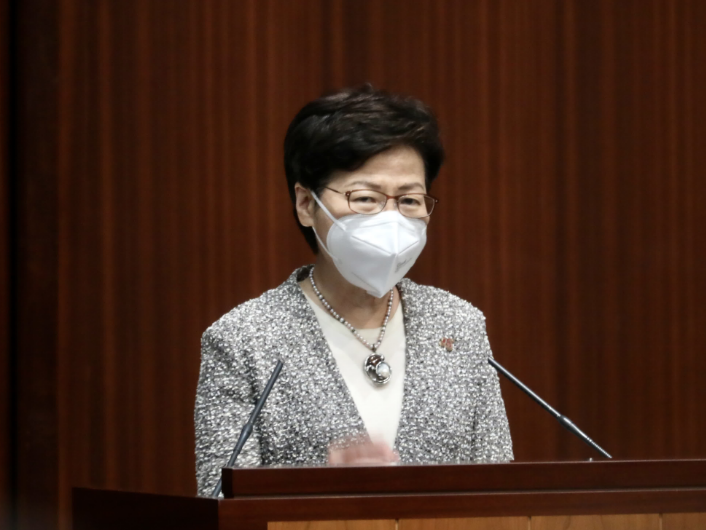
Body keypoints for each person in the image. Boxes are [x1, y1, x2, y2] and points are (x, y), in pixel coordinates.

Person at [194, 85, 513, 496]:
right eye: (365, 198)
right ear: (306, 204)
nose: (391, 218)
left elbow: (498, 492)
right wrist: (321, 493)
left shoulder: (458, 325)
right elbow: (222, 505)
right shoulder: (243, 340)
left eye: (409, 200)